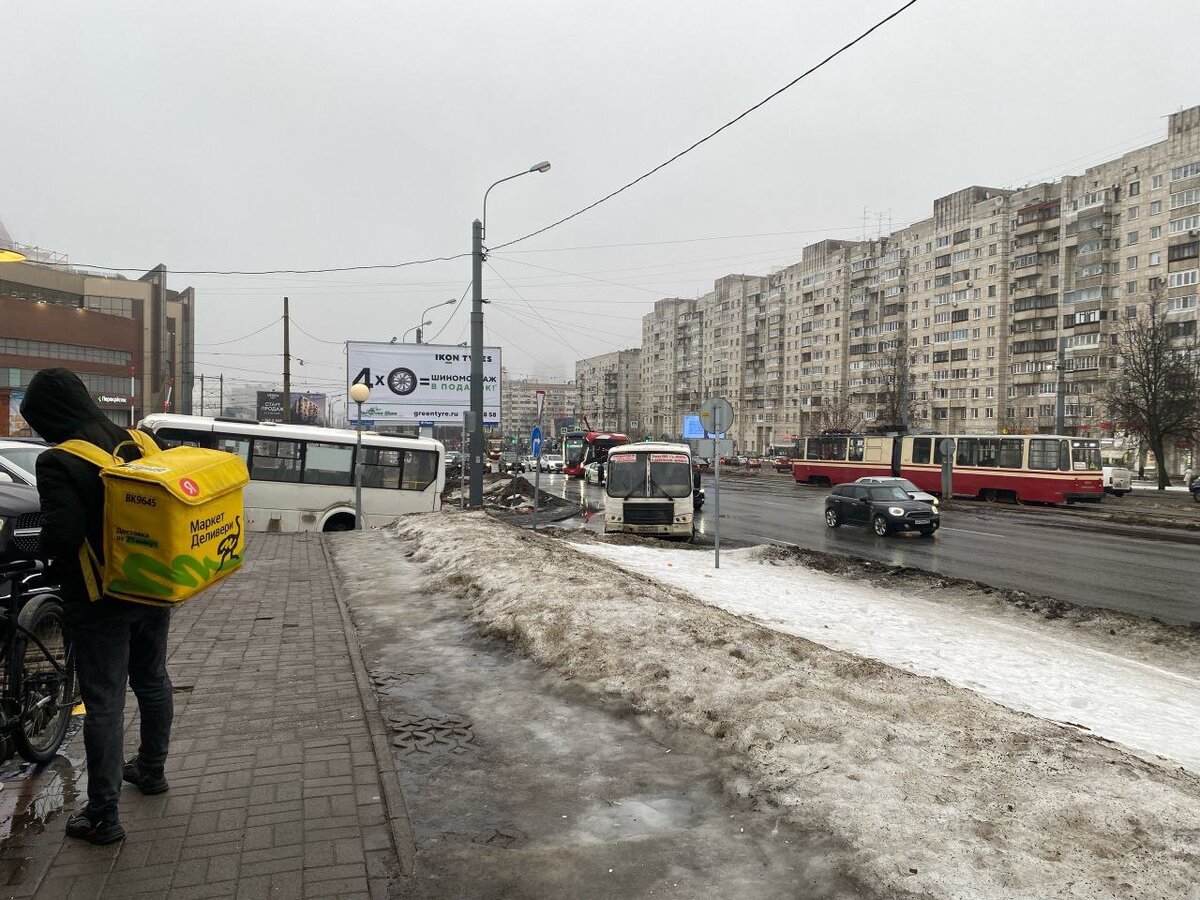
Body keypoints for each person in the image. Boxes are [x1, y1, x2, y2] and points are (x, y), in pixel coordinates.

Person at [20, 369, 173, 845]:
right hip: (151, 584)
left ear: (50, 415)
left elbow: (63, 533)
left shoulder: (58, 460)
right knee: (152, 678)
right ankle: (150, 771)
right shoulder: (139, 440)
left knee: (104, 702)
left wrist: (42, 555)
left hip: (98, 596)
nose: (39, 432)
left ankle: (103, 815)